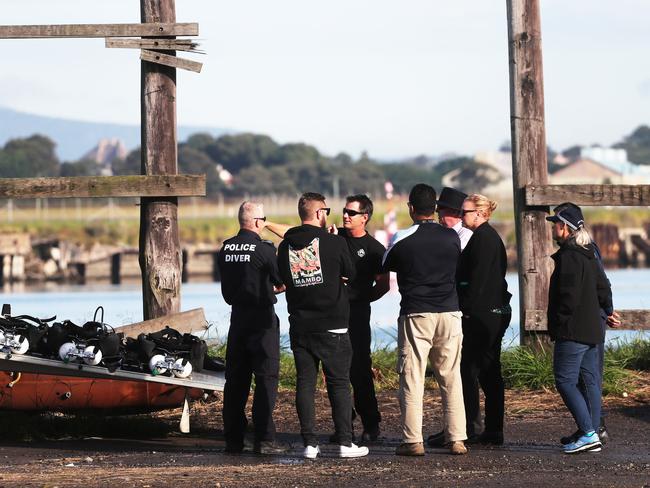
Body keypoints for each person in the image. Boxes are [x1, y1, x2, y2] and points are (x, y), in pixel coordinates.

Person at [277, 192, 369, 459]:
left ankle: (309, 444)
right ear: (319, 213)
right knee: (339, 383)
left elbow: (283, 278)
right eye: (326, 209)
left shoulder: (285, 247)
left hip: (300, 325)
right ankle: (344, 442)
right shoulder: (334, 242)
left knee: (305, 384)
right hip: (333, 325)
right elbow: (350, 273)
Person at [382, 183, 467, 456]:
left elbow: (386, 263)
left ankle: (413, 440)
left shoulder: (403, 237)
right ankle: (456, 438)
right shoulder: (452, 237)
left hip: (417, 312)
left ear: (411, 208)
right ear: (435, 208)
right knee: (451, 376)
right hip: (450, 312)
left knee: (412, 376)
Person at [217, 201, 286, 455]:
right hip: (262, 320)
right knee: (266, 378)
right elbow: (281, 281)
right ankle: (265, 439)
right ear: (258, 222)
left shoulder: (225, 249)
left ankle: (234, 439)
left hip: (237, 320)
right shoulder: (264, 250)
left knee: (236, 381)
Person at [550, 203, 621, 448]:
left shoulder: (569, 256)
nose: (552, 228)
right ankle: (589, 431)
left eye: (555, 224)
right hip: (594, 328)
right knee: (590, 380)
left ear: (564, 227)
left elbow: (567, 298)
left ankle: (589, 434)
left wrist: (558, 323)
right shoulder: (590, 252)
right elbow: (604, 287)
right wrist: (609, 311)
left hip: (573, 330)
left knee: (565, 381)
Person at [457, 194, 511, 445]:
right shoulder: (488, 237)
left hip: (482, 314)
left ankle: (473, 426)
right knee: (489, 370)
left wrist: (465, 308)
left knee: (470, 369)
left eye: (465, 212)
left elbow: (477, 279)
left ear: (479, 213)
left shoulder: (483, 239)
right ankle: (492, 428)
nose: (461, 216)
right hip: (492, 311)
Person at [337, 194, 390, 441]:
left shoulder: (374, 249)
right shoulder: (333, 237)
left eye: (352, 213)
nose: (346, 216)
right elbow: (300, 232)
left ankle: (371, 424)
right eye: (345, 211)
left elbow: (383, 285)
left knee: (359, 370)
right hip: (333, 316)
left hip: (357, 316)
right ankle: (344, 425)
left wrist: (359, 297)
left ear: (364, 217)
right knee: (335, 371)